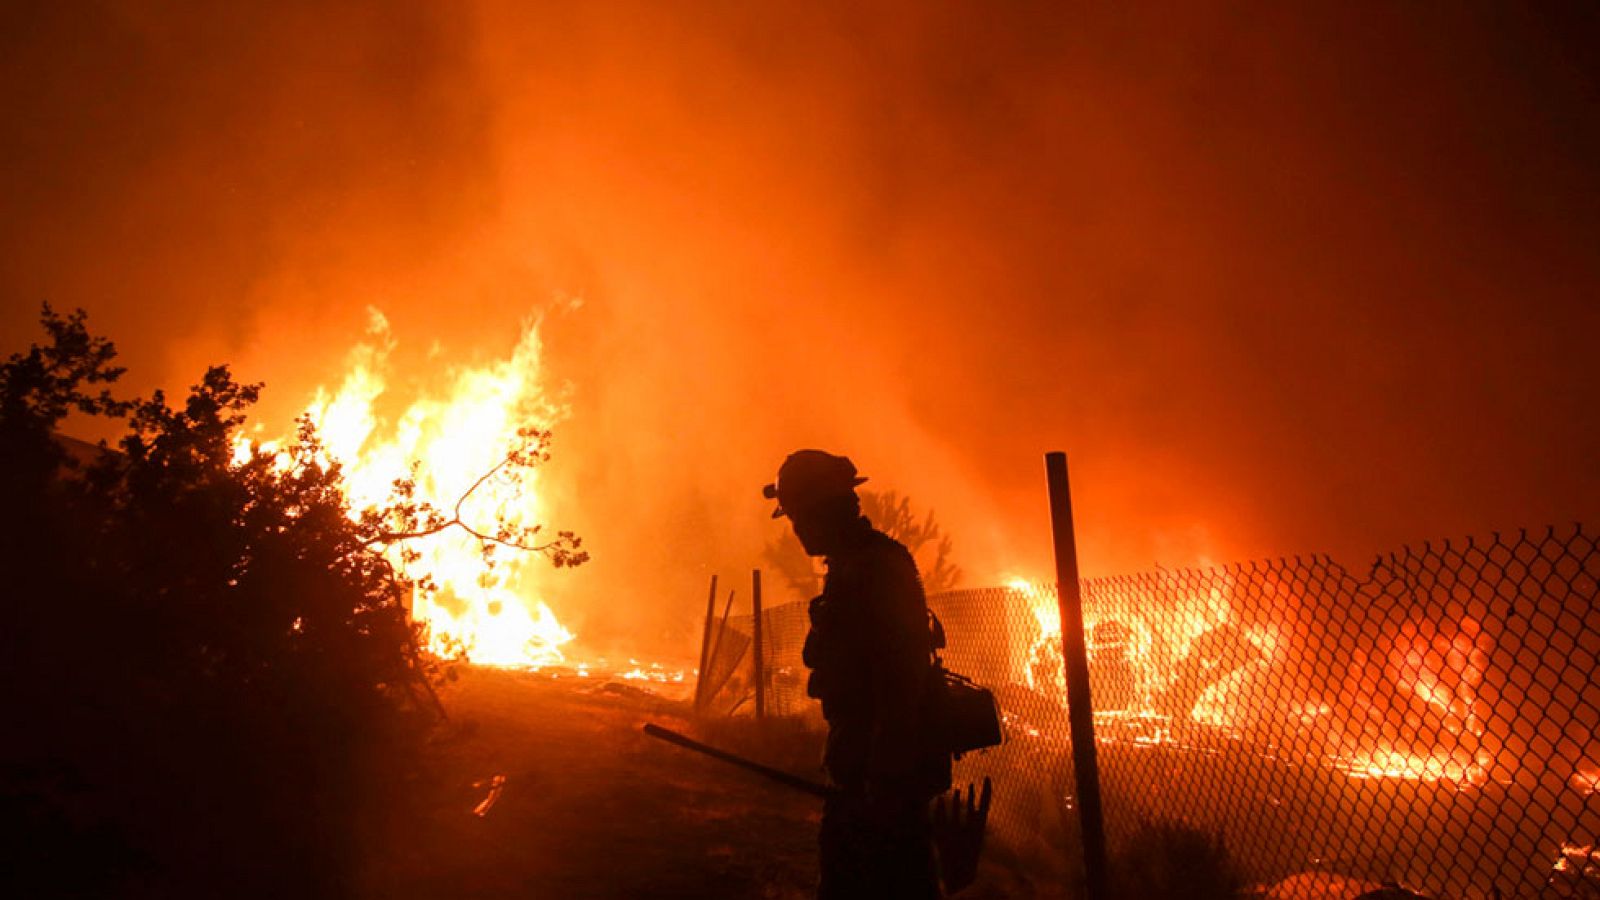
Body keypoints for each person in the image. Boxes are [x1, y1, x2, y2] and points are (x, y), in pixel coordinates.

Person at [764, 450, 951, 899]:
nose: (797, 530)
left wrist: (882, 779)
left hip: (884, 772)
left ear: (821, 511)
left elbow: (900, 678)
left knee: (888, 881)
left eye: (798, 517)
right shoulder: (851, 566)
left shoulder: (875, 568)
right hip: (863, 764)